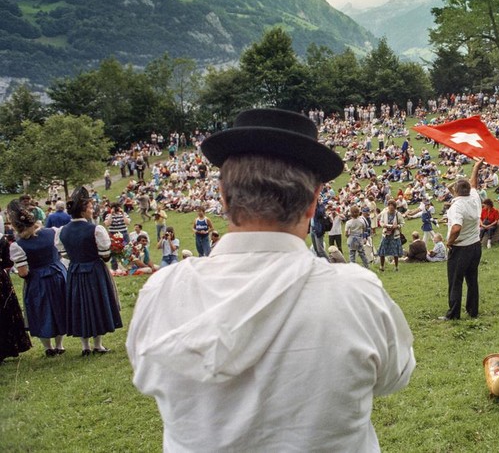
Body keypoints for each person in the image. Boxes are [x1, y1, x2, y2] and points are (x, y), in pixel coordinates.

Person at [127, 108, 414, 451]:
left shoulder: (162, 291)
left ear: (222, 197)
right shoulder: (357, 292)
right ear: (313, 203)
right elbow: (395, 376)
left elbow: (145, 375)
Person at [59, 187, 123, 356]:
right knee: (96, 302)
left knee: (80, 303)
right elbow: (105, 255)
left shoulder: (63, 231)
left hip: (75, 270)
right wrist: (112, 252)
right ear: (83, 209)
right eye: (89, 207)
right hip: (94, 269)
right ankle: (98, 345)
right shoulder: (95, 229)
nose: (91, 210)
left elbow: (64, 253)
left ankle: (85, 346)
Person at [7, 200, 67, 357]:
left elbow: (23, 272)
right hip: (58, 275)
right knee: (60, 308)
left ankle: (48, 347)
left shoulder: (18, 246)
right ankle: (60, 345)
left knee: (41, 311)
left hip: (38, 280)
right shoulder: (53, 232)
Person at [440, 158, 483, 321]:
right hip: (475, 245)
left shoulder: (456, 206)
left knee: (455, 280)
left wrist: (450, 241)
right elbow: (473, 184)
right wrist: (475, 168)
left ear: (456, 191)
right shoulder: (473, 198)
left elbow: (456, 227)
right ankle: (473, 311)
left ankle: (453, 314)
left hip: (460, 248)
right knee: (472, 279)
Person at [0, 234, 32, 362]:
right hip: (1, 281)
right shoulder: (1, 239)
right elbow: (8, 261)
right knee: (4, 313)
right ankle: (5, 348)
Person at [376, 200, 404, 272]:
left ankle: (396, 267)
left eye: (392, 206)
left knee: (395, 252)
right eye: (389, 206)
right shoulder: (384, 213)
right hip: (385, 234)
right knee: (382, 250)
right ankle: (382, 266)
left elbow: (402, 223)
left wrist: (397, 226)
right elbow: (381, 221)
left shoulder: (398, 214)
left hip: (394, 235)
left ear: (395, 207)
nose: (391, 208)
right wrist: (383, 225)